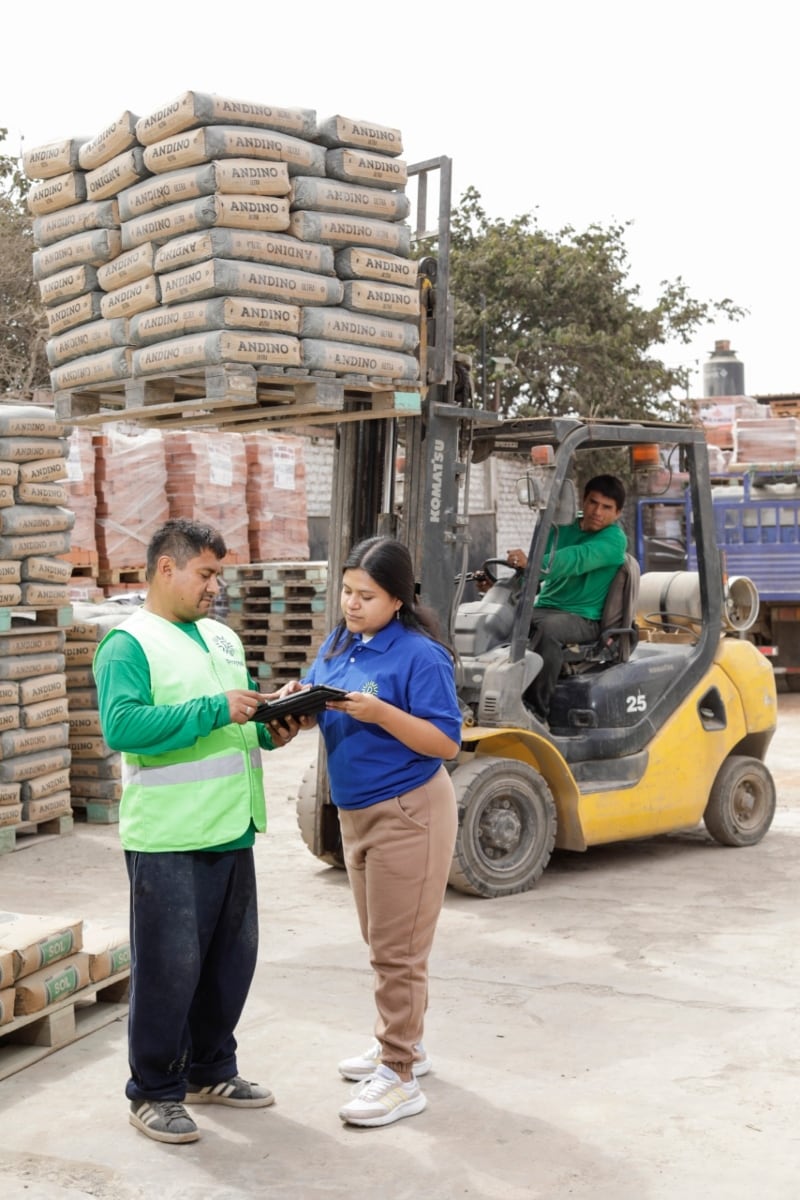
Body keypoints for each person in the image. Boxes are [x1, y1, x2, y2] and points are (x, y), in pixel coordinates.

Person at [93, 518, 302, 1146]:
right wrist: (218, 709)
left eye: (220, 574)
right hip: (168, 837)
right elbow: (123, 728)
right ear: (166, 569)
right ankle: (154, 1090)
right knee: (169, 970)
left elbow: (232, 724)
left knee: (227, 965)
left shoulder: (221, 638)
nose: (216, 586)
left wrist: (271, 724)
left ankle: (211, 1070)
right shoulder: (128, 644)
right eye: (206, 574)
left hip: (231, 827)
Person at [284, 536, 462, 1128]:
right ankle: (404, 1044)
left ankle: (400, 1073)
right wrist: (295, 699)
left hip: (409, 811)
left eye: (367, 596)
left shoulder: (420, 656)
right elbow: (321, 697)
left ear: (397, 600)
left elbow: (446, 742)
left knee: (397, 951)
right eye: (347, 592)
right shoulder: (342, 644)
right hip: (356, 813)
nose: (352, 605)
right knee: (382, 940)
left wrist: (380, 711)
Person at [506, 474, 627, 724]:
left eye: (607, 508)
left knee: (548, 630)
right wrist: (510, 585)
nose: (597, 512)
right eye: (593, 503)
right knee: (503, 618)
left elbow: (576, 558)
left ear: (617, 513)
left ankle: (535, 710)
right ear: (582, 501)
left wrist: (534, 563)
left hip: (584, 618)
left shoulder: (614, 540)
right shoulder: (560, 528)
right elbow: (535, 574)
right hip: (546, 607)